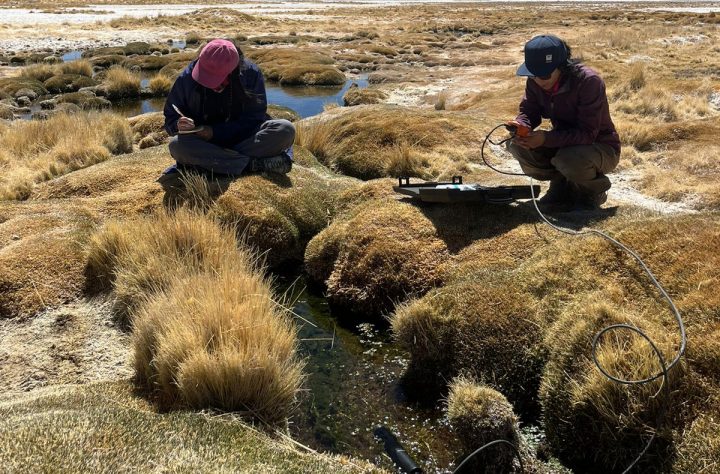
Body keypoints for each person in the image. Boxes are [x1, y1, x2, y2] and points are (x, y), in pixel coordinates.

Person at [506, 34, 620, 211]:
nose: (537, 80)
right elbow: (529, 110)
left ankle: (592, 192)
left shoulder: (589, 82)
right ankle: (559, 187)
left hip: (601, 147)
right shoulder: (536, 80)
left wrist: (545, 139)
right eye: (533, 74)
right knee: (516, 145)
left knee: (569, 159)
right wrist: (522, 125)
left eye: (543, 75)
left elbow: (588, 134)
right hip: (562, 145)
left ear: (562, 67)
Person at [159, 39, 295, 185]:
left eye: (214, 79)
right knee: (177, 146)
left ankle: (215, 165)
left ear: (233, 71)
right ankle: (253, 164)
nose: (208, 84)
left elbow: (255, 118)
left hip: (244, 139)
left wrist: (215, 132)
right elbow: (170, 117)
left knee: (285, 129)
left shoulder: (250, 74)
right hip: (206, 144)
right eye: (204, 75)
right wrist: (177, 125)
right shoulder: (186, 79)